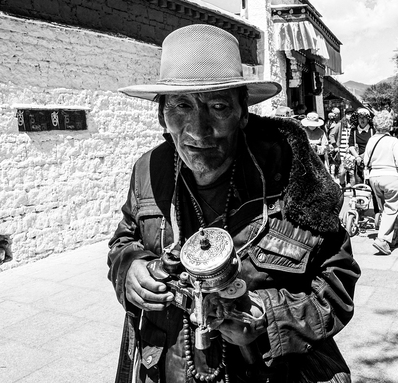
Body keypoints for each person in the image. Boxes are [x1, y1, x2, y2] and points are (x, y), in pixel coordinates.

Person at [108, 24, 360, 383]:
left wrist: (269, 317)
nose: (197, 130)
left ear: (244, 113)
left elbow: (337, 283)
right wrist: (130, 269)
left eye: (218, 106)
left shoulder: (294, 178)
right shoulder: (149, 171)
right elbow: (123, 243)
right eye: (181, 106)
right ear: (161, 114)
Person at [363, 110, 398, 255]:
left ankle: (393, 236)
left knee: (385, 209)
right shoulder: (394, 141)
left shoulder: (371, 140)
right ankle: (382, 239)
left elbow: (366, 161)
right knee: (392, 208)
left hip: (374, 178)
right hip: (390, 177)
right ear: (390, 125)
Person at [348, 108, 375, 184]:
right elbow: (351, 145)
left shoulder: (373, 130)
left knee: (371, 185)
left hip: (371, 162)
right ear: (357, 118)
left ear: (368, 119)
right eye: (360, 117)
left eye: (365, 117)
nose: (362, 120)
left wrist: (364, 155)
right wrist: (357, 157)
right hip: (359, 163)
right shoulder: (353, 130)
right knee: (359, 185)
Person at [330, 108, 354, 188]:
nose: (349, 116)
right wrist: (335, 146)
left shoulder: (355, 124)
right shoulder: (340, 124)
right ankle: (343, 185)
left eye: (351, 114)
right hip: (342, 152)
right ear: (345, 114)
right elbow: (331, 134)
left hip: (352, 151)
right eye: (348, 114)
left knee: (351, 173)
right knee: (341, 173)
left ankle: (353, 191)